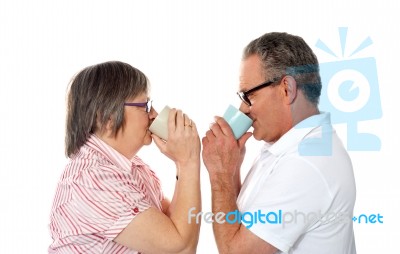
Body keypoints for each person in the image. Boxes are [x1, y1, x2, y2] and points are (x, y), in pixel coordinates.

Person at [202, 32, 356, 253]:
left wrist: (220, 174)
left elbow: (235, 250)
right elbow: (241, 225)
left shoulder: (307, 162)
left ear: (287, 89)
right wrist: (232, 167)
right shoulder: (288, 147)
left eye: (249, 96)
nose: (243, 109)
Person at [48, 61, 201, 253]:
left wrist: (182, 162)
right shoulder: (93, 179)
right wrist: (189, 161)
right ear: (107, 117)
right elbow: (180, 248)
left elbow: (174, 225)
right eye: (145, 106)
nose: (154, 114)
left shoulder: (135, 167)